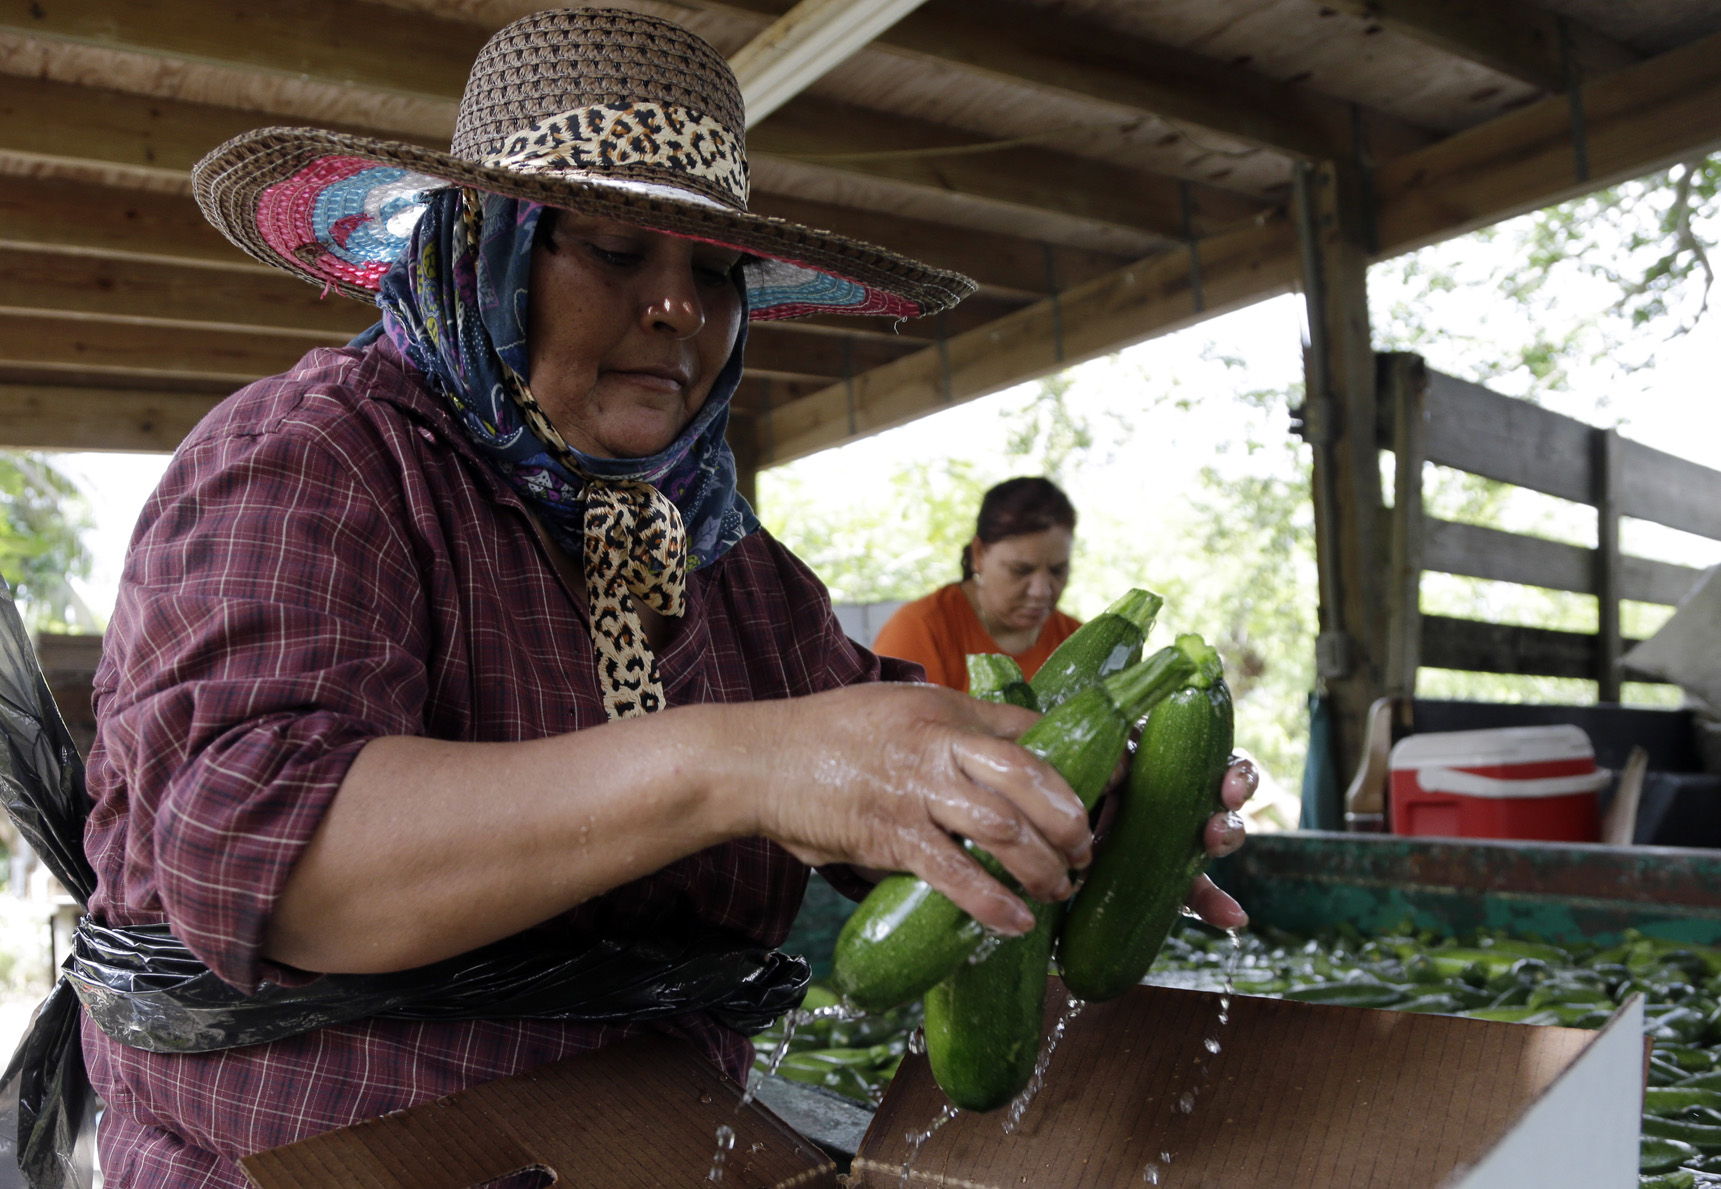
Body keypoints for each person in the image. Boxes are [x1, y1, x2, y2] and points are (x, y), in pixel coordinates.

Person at [73, 10, 1257, 1186]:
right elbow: (274, 864)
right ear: (482, 246)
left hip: (654, 1151)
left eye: (715, 269)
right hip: (304, 1162)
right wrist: (739, 764)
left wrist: (1065, 802)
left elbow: (879, 763)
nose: (681, 309)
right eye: (616, 250)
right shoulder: (314, 460)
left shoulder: (722, 560)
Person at [873, 476, 1083, 692]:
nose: (1041, 591)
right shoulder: (920, 629)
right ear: (979, 554)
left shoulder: (1079, 642)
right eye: (1021, 571)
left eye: (1057, 570)